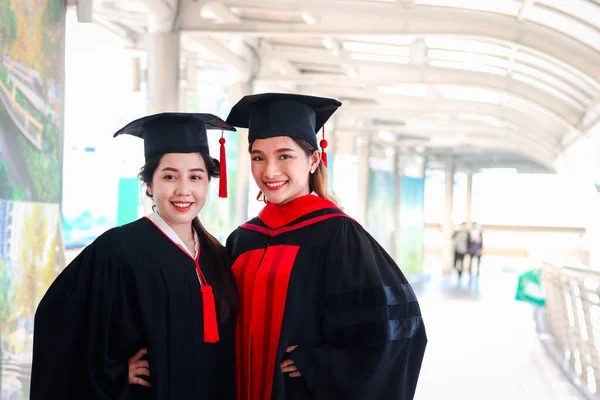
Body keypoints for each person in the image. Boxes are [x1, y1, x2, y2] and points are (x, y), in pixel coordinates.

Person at [224, 93, 427, 400]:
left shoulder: (338, 235)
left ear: (313, 160)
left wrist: (318, 362)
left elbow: (397, 332)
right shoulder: (243, 239)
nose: (269, 171)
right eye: (258, 157)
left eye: (284, 156)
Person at [30, 113, 239, 399]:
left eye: (195, 177)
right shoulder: (117, 250)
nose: (184, 190)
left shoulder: (218, 255)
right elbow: (57, 322)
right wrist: (111, 371)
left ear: (208, 184)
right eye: (169, 176)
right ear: (150, 185)